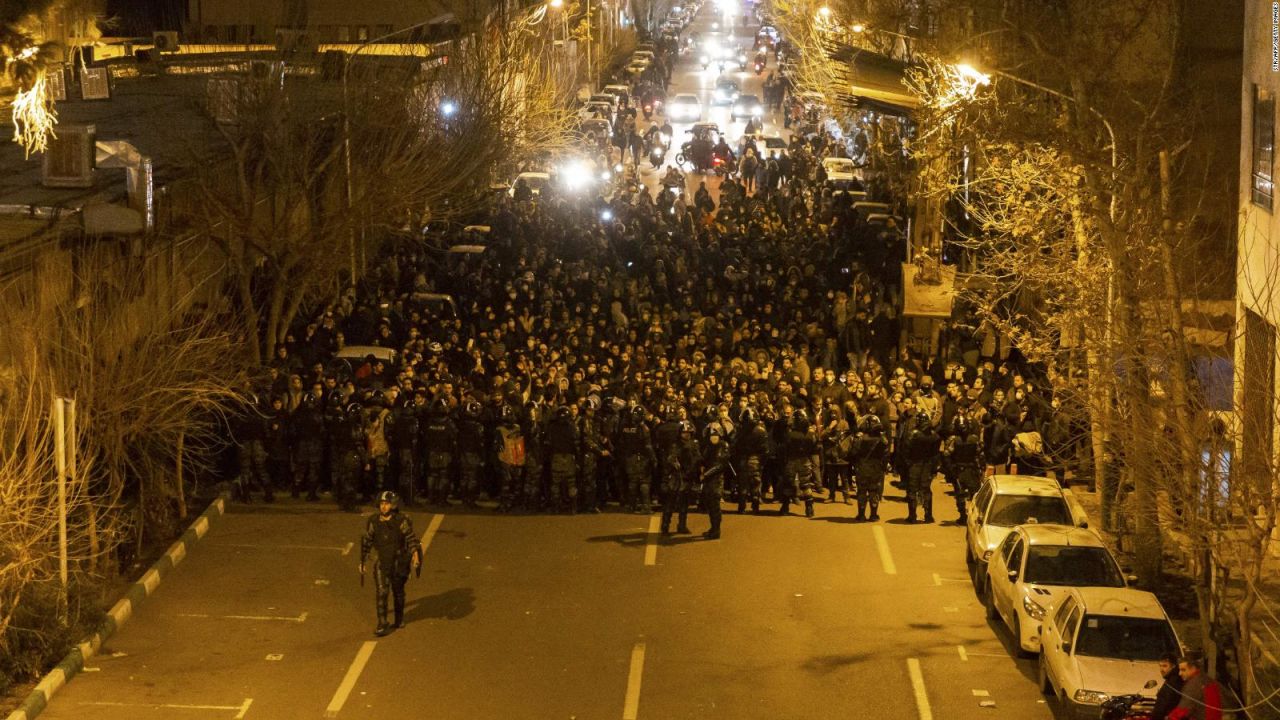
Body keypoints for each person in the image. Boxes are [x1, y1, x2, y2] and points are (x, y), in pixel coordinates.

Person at [359, 491, 421, 637]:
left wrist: (415, 555)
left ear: (392, 505)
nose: (383, 507)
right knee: (382, 592)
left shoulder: (401, 520)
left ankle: (399, 619)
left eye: (386, 504)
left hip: (399, 561)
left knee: (398, 592)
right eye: (381, 504)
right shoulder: (374, 521)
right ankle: (382, 623)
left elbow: (411, 538)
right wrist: (362, 560)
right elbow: (367, 541)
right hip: (382, 561)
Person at [699, 422, 732, 538]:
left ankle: (716, 530)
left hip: (717, 480)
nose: (713, 437)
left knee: (715, 507)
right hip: (708, 479)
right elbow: (704, 460)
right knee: (710, 506)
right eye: (711, 435)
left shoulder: (724, 446)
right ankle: (713, 528)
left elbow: (720, 465)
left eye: (716, 435)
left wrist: (706, 474)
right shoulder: (708, 447)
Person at [1168, 651, 1222, 720]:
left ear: (1193, 668)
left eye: (1183, 670)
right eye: (1179, 670)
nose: (1180, 673)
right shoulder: (1207, 679)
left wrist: (1170, 718)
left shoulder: (1193, 684)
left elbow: (1183, 709)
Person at [1151, 652, 1185, 720]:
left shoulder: (1172, 683)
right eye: (1160, 666)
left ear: (1173, 666)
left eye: (1165, 666)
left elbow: (1161, 707)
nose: (1161, 669)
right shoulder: (1174, 679)